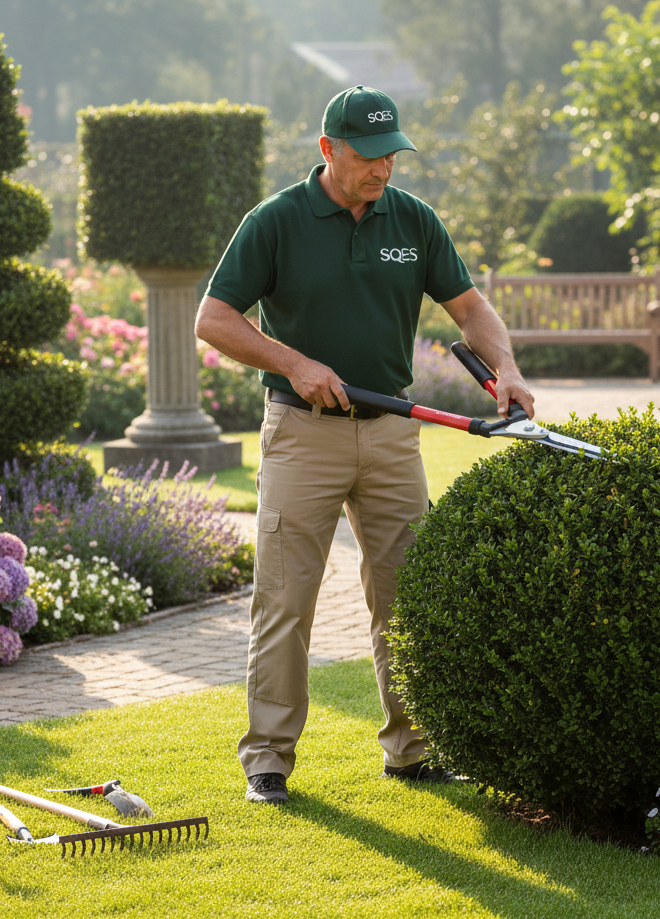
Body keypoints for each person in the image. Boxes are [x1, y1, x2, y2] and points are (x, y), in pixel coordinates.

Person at [194, 85, 535, 805]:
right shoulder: (276, 221)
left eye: (392, 154)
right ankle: (268, 760)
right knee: (285, 600)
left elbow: (470, 308)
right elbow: (214, 319)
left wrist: (504, 367)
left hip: (391, 436)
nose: (383, 168)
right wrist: (294, 363)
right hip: (302, 436)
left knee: (407, 596)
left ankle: (413, 749)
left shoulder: (412, 218)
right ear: (329, 149)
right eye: (369, 155)